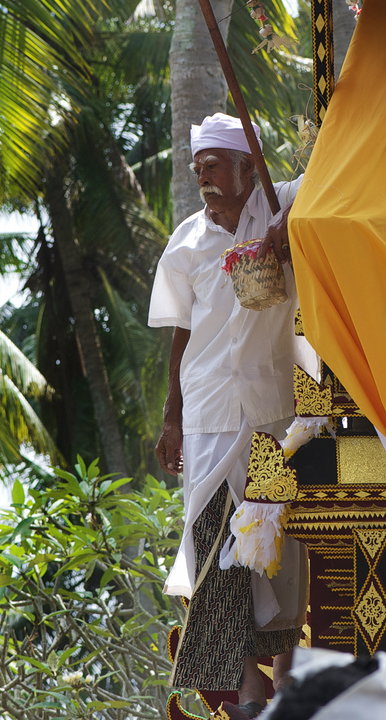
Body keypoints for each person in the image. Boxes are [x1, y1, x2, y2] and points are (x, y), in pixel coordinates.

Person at [149, 113, 317, 720]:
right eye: (199, 170)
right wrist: (171, 418)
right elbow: (180, 333)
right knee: (214, 549)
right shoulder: (187, 240)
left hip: (274, 416)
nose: (205, 180)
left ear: (250, 169)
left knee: (277, 546)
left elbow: (325, 173)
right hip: (206, 415)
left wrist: (281, 219)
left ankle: (288, 681)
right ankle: (249, 694)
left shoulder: (284, 208)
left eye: (215, 167)